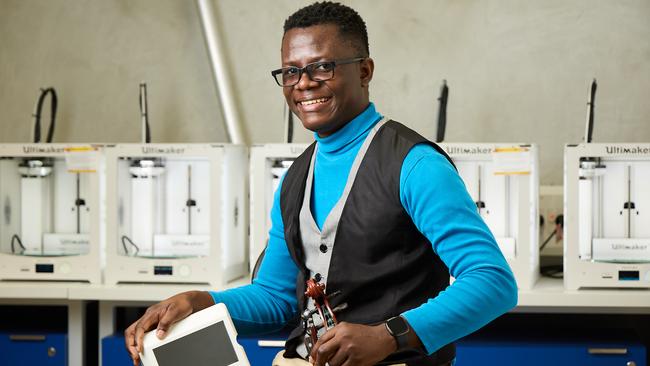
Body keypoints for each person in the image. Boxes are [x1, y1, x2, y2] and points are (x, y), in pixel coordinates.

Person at [125, 2, 518, 365]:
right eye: (291, 71)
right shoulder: (295, 179)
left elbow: (492, 280)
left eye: (322, 66)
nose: (304, 83)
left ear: (364, 70)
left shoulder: (414, 166)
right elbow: (276, 298)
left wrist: (388, 335)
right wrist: (201, 302)